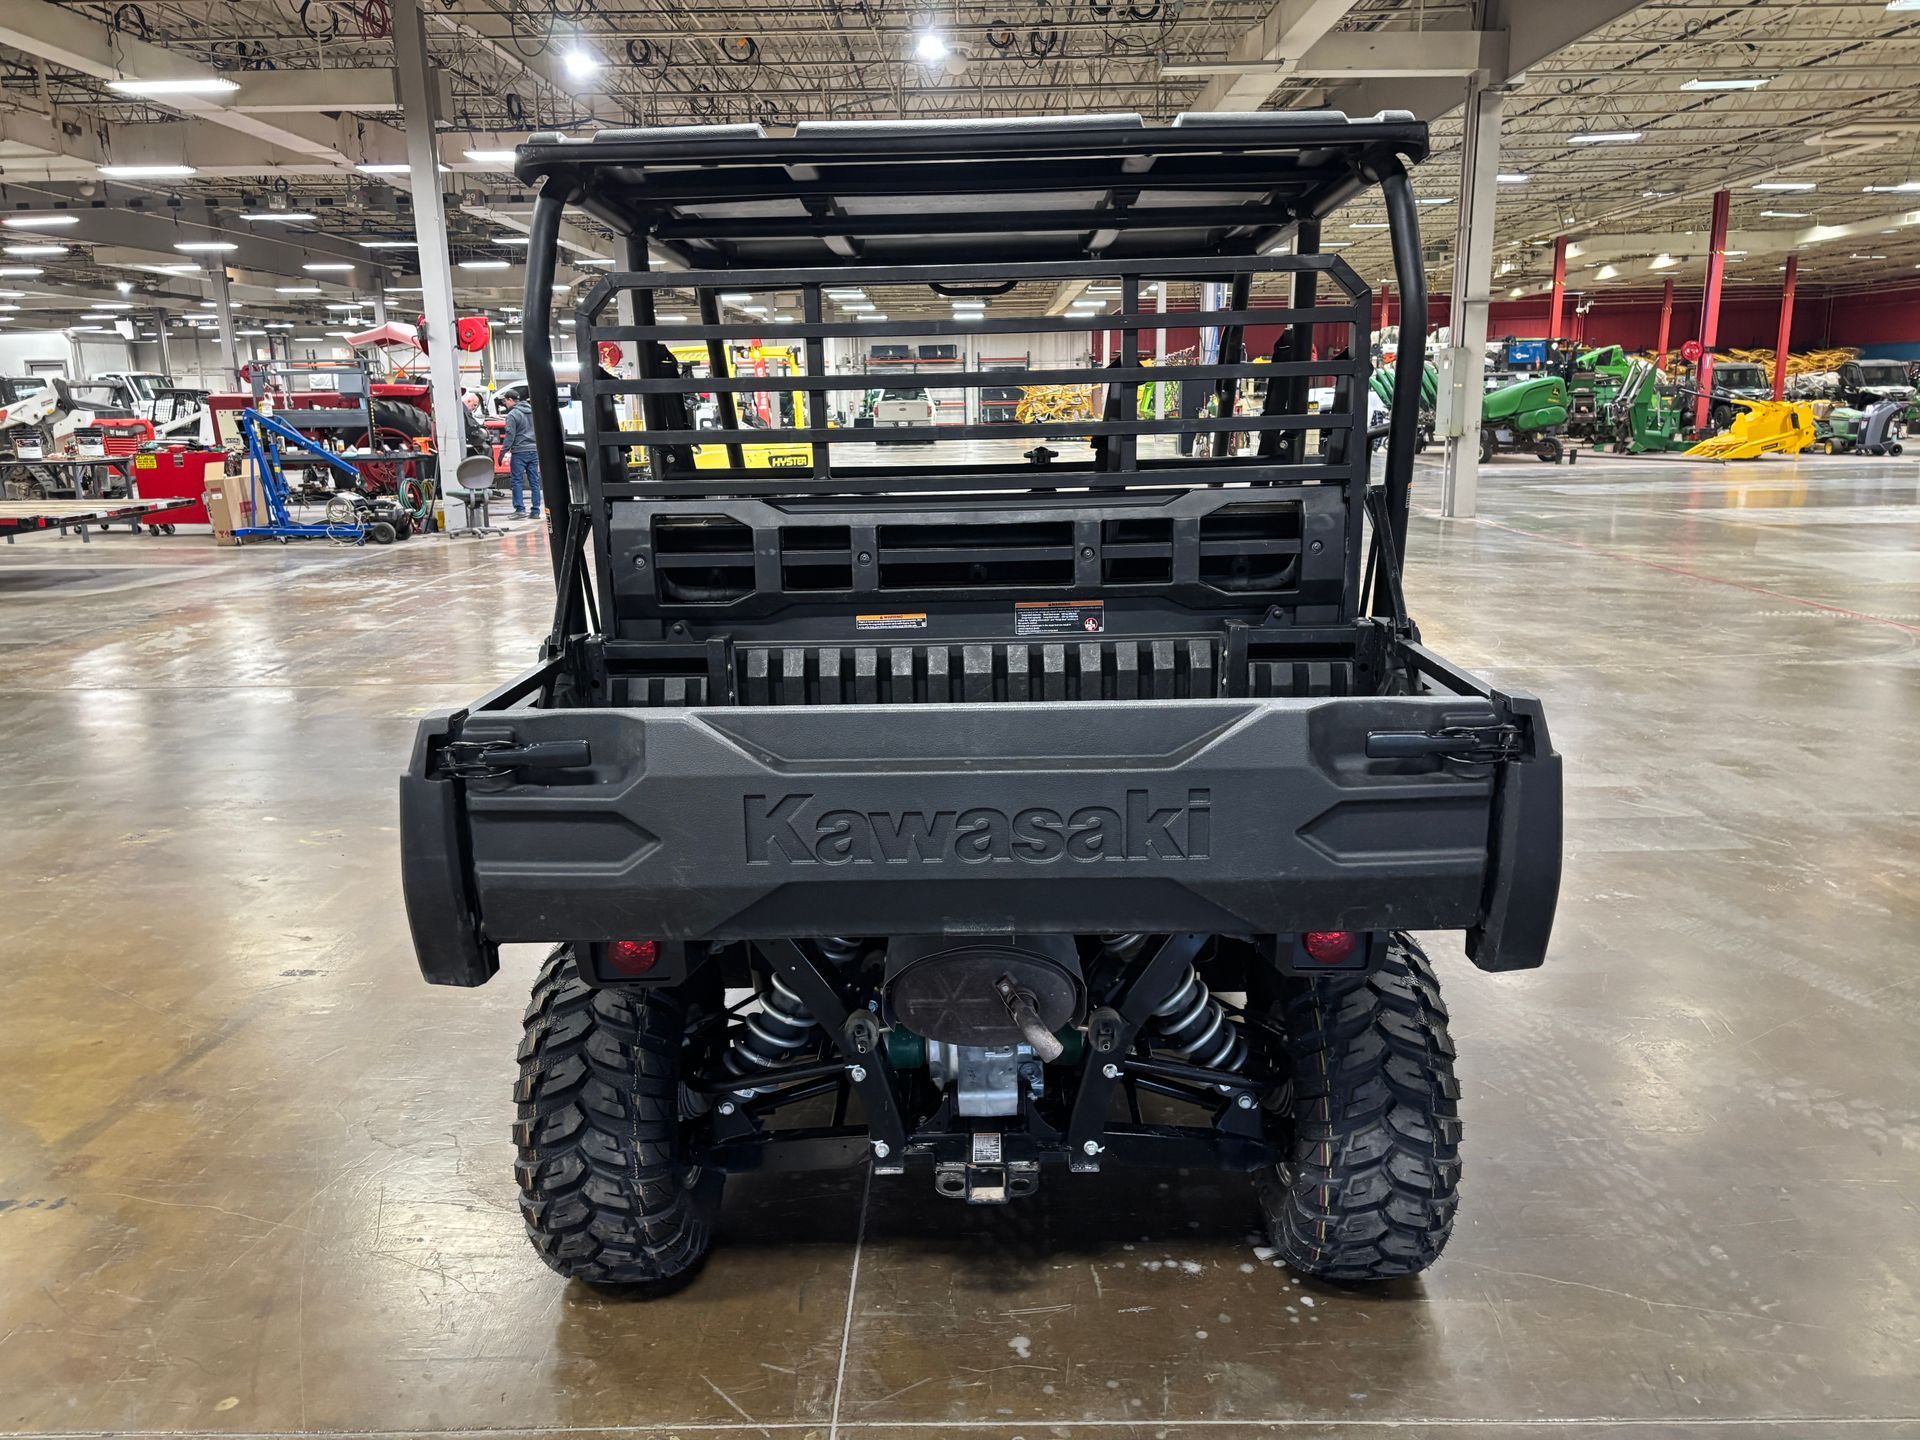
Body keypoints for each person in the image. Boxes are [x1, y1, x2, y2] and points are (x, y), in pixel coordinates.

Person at [500, 392, 541, 519]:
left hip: (519, 452)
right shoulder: (534, 412)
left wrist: (502, 452)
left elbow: (510, 435)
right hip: (534, 451)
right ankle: (536, 511)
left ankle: (520, 510)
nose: (505, 404)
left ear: (510, 400)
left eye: (505, 401)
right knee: (534, 481)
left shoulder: (513, 414)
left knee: (517, 481)